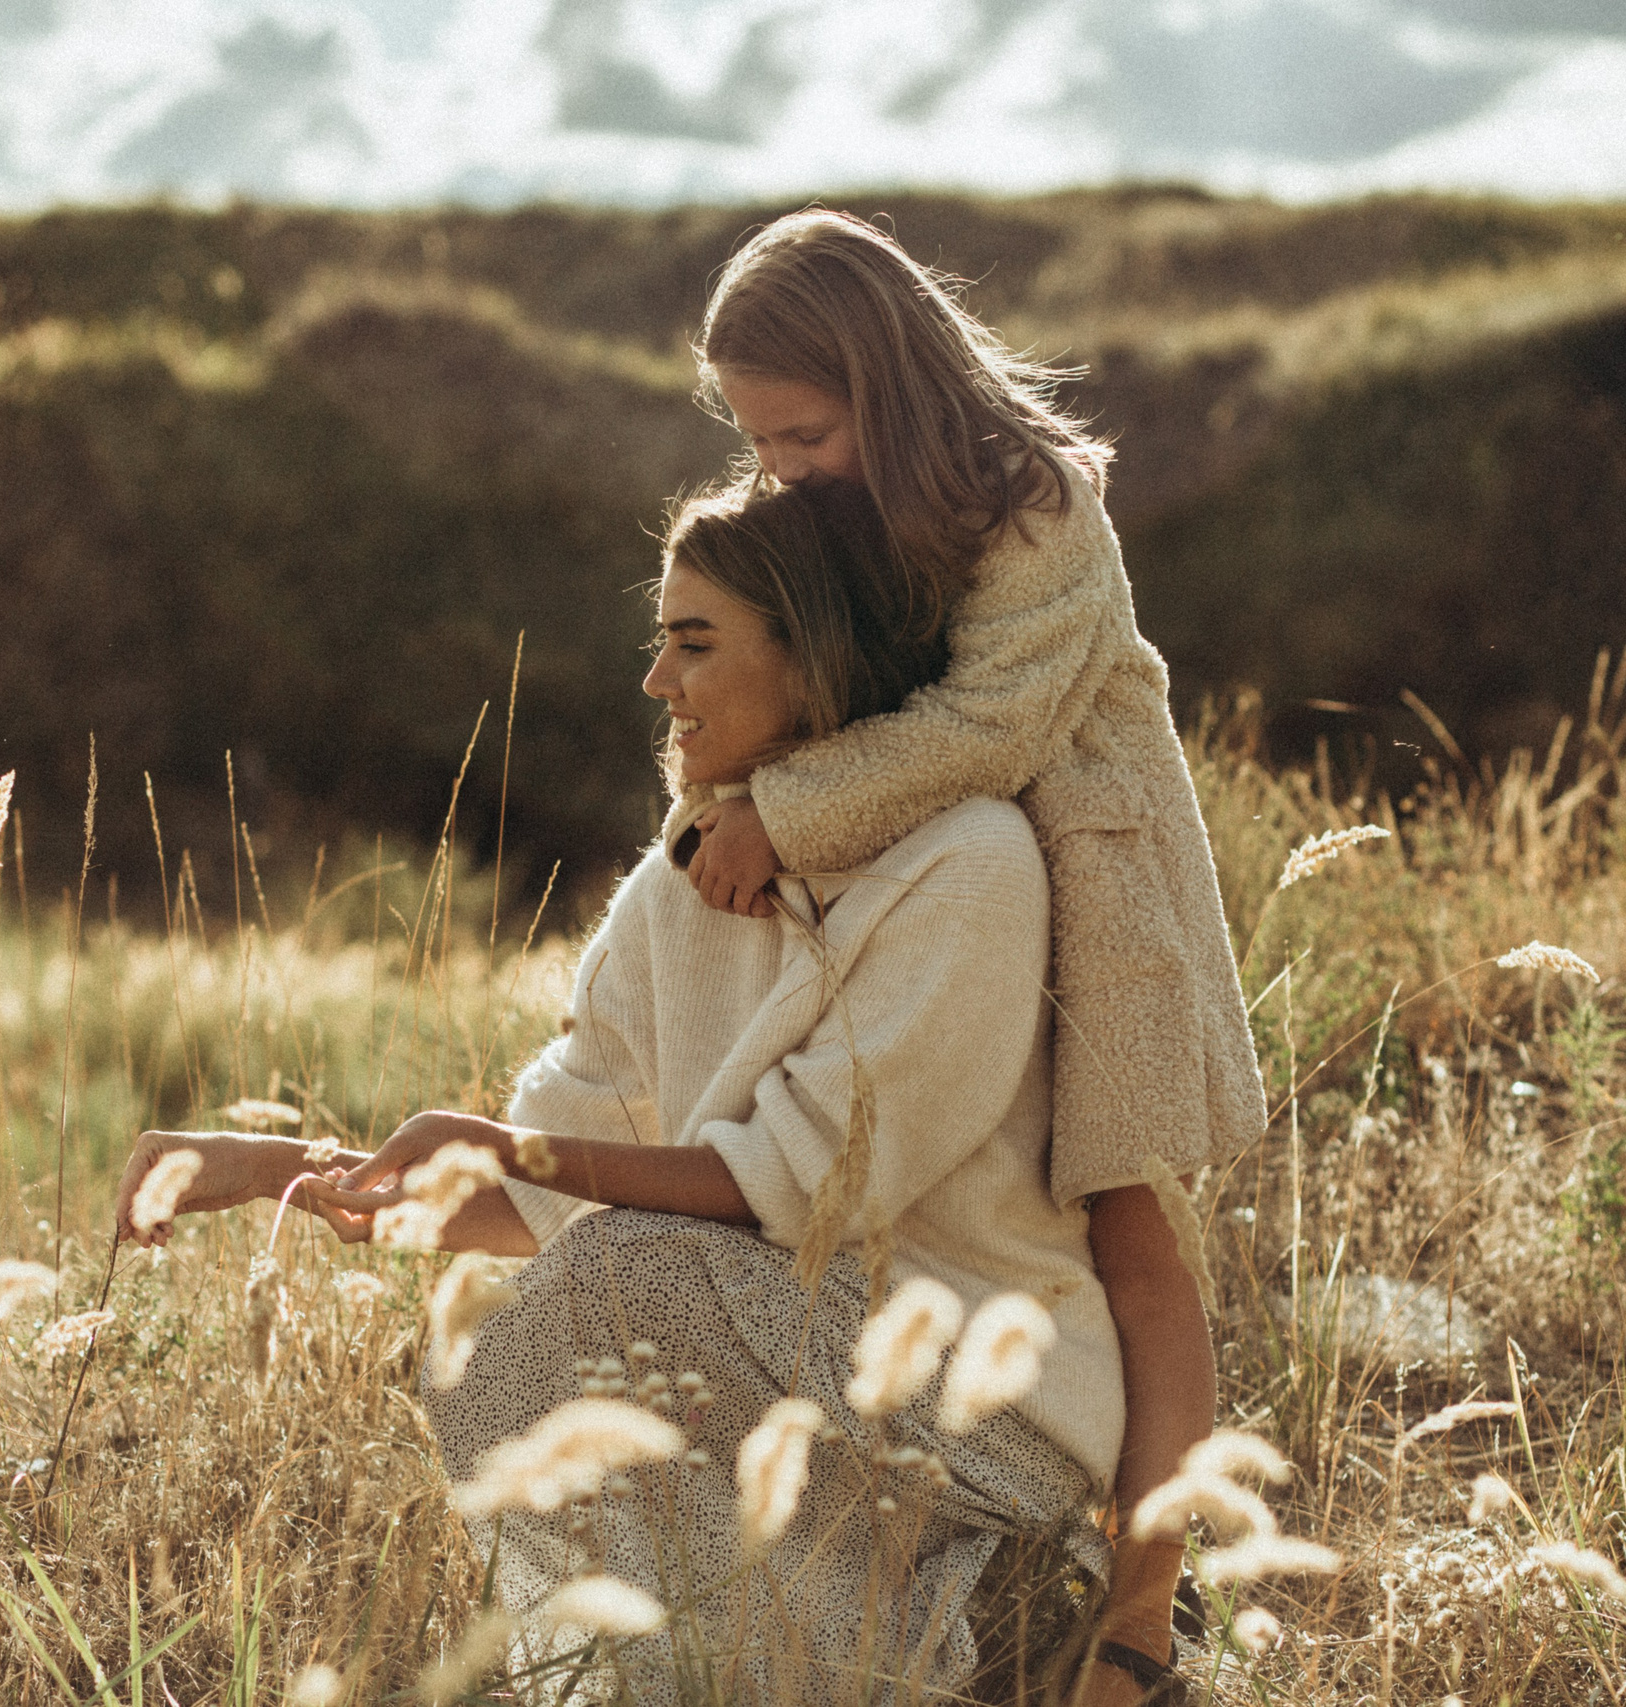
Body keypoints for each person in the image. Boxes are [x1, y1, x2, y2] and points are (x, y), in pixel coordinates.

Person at [118, 478, 1173, 1702]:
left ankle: (940, 1625)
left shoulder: (969, 864)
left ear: (812, 649)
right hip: (774, 1347)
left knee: (630, 1275)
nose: (655, 684)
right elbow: (551, 1193)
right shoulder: (675, 888)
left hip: (985, 1411)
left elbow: (791, 1188)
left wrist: (508, 1156)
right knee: (500, 1338)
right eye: (655, 642)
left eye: (693, 643)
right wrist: (278, 1173)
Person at [680, 207, 1266, 1701]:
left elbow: (992, 726)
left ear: (888, 379)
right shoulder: (826, 510)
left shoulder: (1035, 506)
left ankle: (1142, 1618)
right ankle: (972, 1564)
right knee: (934, 1229)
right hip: (935, 916)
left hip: (1094, 901)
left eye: (805, 433)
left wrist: (785, 808)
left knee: (1138, 1250)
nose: (785, 470)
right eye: (760, 443)